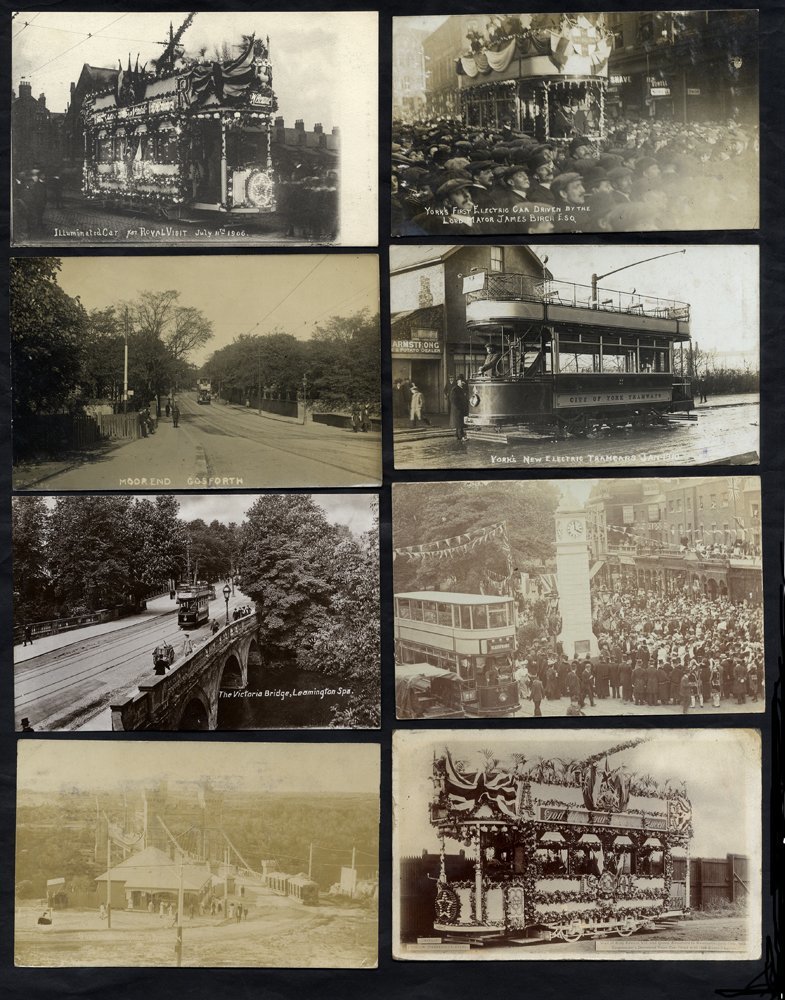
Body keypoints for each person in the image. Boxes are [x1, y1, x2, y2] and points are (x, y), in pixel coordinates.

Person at [449, 376, 469, 442]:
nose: (463, 383)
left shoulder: (461, 389)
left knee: (459, 423)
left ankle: (458, 435)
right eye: (461, 381)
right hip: (457, 409)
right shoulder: (455, 389)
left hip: (460, 409)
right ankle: (461, 436)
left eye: (463, 381)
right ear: (458, 382)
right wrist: (459, 406)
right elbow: (453, 399)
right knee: (459, 423)